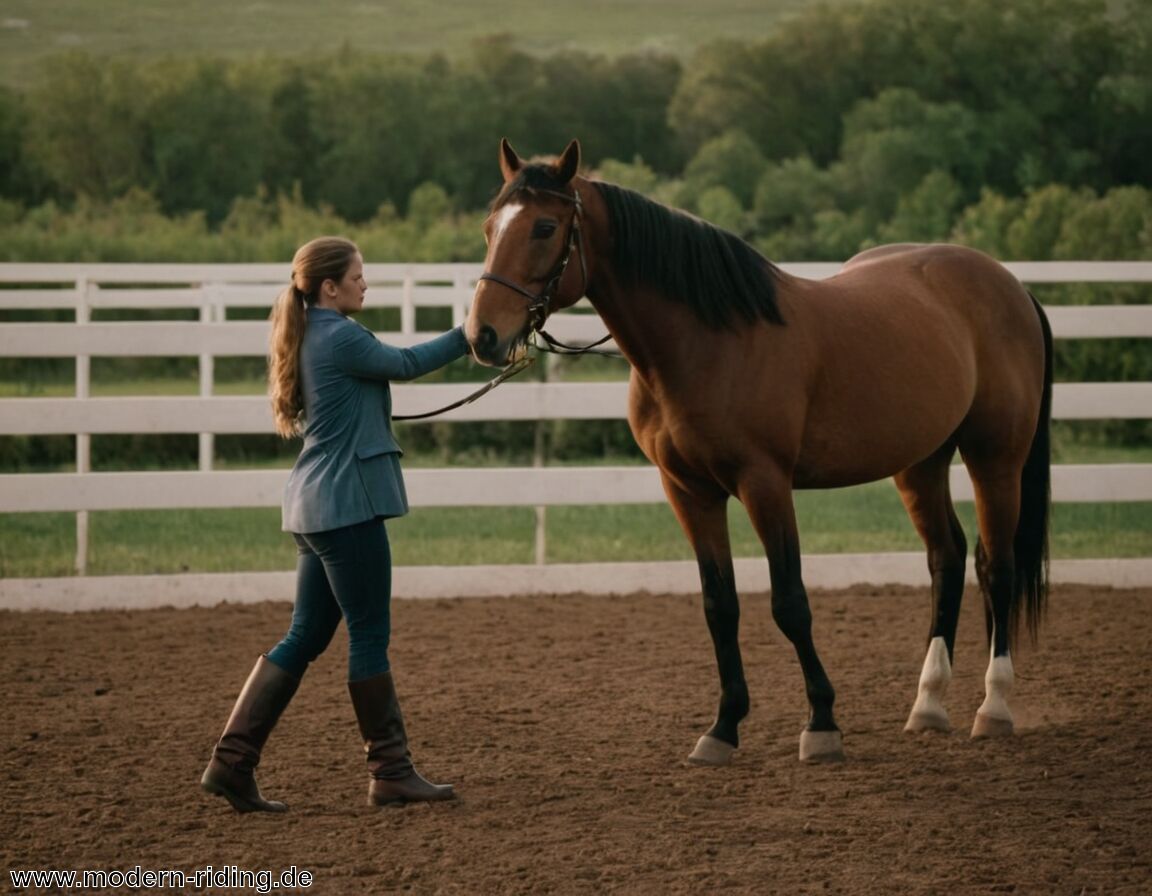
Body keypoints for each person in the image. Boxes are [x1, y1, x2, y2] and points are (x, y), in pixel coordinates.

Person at [200, 236, 469, 812]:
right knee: (368, 635)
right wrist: (469, 332)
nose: (364, 283)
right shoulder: (342, 335)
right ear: (330, 286)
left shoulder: (311, 334)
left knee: (306, 635)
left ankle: (231, 763)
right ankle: (391, 771)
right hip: (348, 509)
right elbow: (406, 363)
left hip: (314, 509)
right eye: (358, 275)